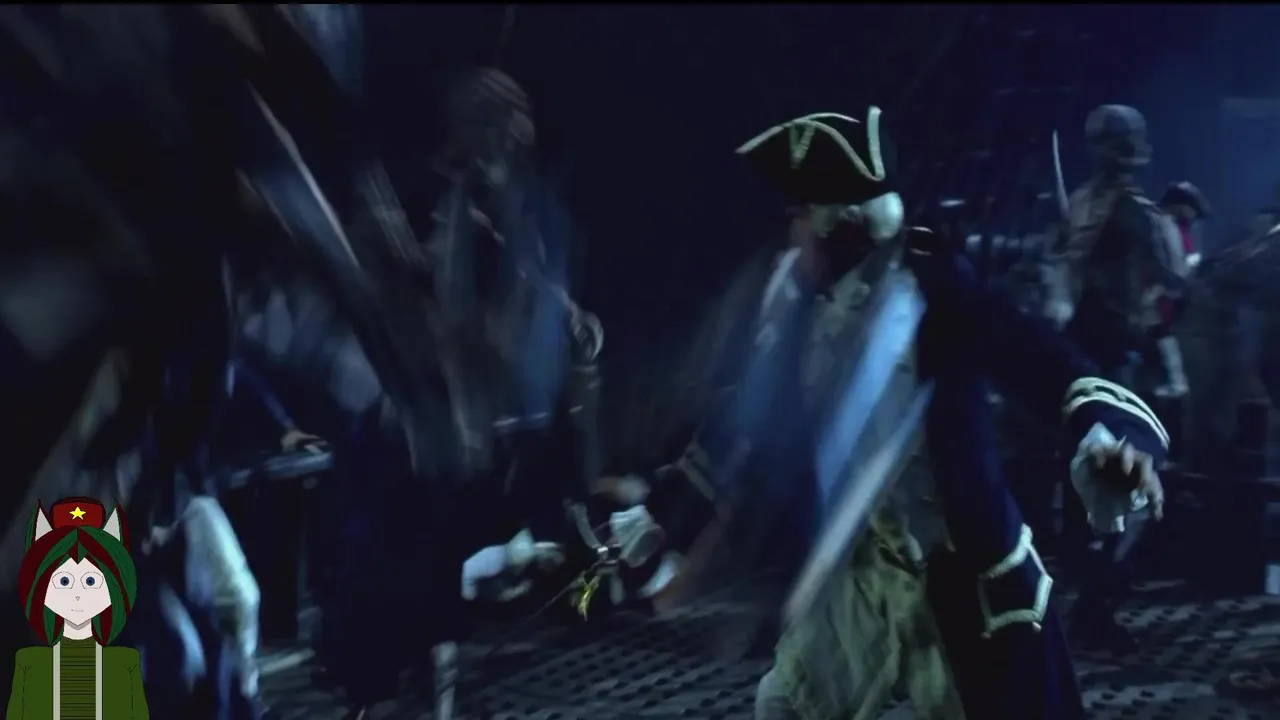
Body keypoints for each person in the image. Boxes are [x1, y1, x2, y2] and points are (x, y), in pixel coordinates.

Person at [621, 107, 1170, 719]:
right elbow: (743, 427)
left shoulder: (938, 294)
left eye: (799, 216)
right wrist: (659, 518)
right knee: (786, 708)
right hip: (861, 574)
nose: (790, 234)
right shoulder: (799, 306)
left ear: (838, 226)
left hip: (963, 577)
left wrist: (1107, 439)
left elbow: (1045, 363)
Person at [8, 497, 149, 718]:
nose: (77, 595)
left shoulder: (126, 665)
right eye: (63, 581)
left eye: (91, 581)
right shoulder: (29, 664)